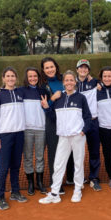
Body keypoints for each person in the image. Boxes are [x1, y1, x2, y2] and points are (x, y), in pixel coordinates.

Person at [39, 70, 92, 204]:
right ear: (63, 83)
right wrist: (46, 107)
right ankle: (55, 193)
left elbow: (87, 117)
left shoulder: (81, 98)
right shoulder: (58, 98)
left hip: (77, 136)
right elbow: (53, 117)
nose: (69, 82)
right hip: (63, 137)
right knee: (58, 164)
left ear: (75, 82)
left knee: (78, 164)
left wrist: (83, 131)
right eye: (66, 80)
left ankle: (77, 190)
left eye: (71, 80)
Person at [0, 67, 27, 211]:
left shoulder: (20, 92)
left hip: (19, 134)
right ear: (3, 78)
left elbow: (34, 89)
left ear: (16, 78)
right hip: (4, 136)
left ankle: (15, 192)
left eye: (13, 76)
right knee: (4, 168)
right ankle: (0, 197)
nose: (10, 78)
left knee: (16, 166)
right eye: (8, 76)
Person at [40, 57, 74, 194]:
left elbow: (77, 84)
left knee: (71, 149)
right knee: (54, 153)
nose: (50, 69)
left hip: (68, 120)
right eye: (47, 67)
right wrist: (53, 98)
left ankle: (71, 178)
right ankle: (56, 183)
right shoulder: (42, 86)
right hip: (52, 122)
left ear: (56, 67)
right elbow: (44, 106)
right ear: (43, 70)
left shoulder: (64, 79)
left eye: (51, 66)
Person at [75, 59, 101, 191]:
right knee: (77, 153)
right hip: (78, 123)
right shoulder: (71, 83)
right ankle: (77, 178)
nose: (83, 70)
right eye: (81, 67)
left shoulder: (95, 82)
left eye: (86, 68)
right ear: (77, 69)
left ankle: (93, 178)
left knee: (94, 151)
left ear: (88, 70)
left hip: (93, 121)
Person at [21, 67, 47, 195]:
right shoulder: (20, 91)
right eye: (30, 76)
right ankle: (31, 183)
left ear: (38, 77)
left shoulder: (43, 91)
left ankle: (40, 183)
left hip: (41, 129)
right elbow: (7, 91)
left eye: (35, 76)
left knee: (40, 157)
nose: (33, 78)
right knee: (28, 157)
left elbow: (48, 107)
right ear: (27, 78)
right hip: (27, 130)